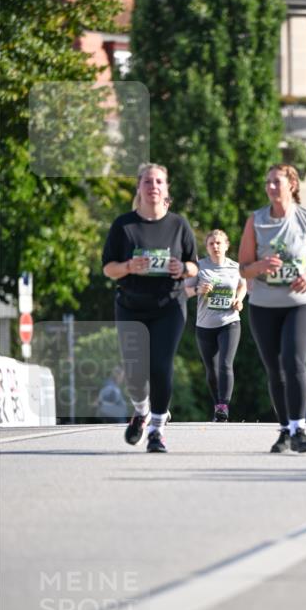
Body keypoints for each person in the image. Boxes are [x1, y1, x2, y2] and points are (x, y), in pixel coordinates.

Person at [102, 163, 198, 453]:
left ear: (166, 188)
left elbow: (194, 265)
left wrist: (181, 268)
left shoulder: (178, 225)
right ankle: (141, 412)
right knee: (134, 373)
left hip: (169, 305)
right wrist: (130, 266)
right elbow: (109, 269)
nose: (153, 186)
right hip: (131, 306)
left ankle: (157, 429)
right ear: (139, 187)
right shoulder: (124, 225)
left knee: (160, 365)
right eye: (147, 181)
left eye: (159, 182)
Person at [238, 164, 306, 453]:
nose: (271, 187)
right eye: (267, 182)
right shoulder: (256, 220)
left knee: (293, 360)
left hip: (302, 304)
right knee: (275, 370)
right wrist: (260, 266)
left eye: (276, 182)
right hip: (264, 305)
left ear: (291, 184)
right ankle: (284, 431)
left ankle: (299, 429)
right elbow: (243, 269)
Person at [185, 229, 246, 422]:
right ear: (207, 247)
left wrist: (239, 299)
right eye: (212, 243)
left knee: (225, 364)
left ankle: (223, 406)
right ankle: (217, 405)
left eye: (219, 243)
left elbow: (243, 285)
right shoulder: (199, 267)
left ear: (227, 245)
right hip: (205, 325)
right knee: (211, 370)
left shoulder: (235, 267)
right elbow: (184, 291)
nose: (216, 246)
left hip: (230, 322)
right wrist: (198, 289)